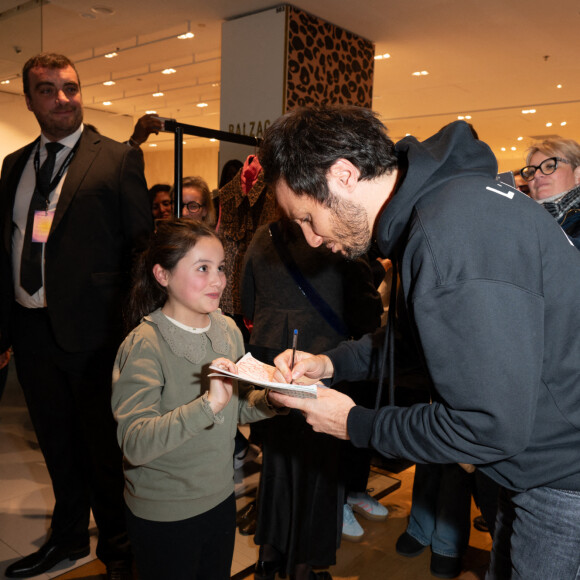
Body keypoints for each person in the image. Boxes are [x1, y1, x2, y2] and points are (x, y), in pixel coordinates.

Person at [258, 105, 580, 580]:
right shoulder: (446, 207)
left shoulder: (450, 231)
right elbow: (417, 343)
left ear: (344, 174)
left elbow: (487, 426)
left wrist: (354, 423)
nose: (310, 239)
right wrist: (329, 364)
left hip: (560, 485)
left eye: (307, 217)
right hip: (537, 472)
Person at [0, 53, 153, 579]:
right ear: (29, 100)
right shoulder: (14, 165)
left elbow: (141, 251)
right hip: (31, 329)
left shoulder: (115, 159)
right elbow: (14, 243)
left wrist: (137, 335)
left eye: (71, 87)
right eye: (48, 90)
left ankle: (119, 553)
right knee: (56, 446)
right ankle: (67, 539)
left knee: (103, 453)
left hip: (95, 335)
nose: (62, 98)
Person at [112, 218, 279, 580]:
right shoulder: (146, 344)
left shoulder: (227, 329)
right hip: (164, 510)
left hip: (219, 497)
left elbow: (236, 409)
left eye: (220, 268)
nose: (218, 280)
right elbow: (135, 443)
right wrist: (206, 405)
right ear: (162, 275)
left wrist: (274, 400)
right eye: (202, 269)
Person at [241, 218, 382, 580]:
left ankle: (269, 557)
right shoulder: (330, 233)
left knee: (278, 464)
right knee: (320, 469)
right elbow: (365, 311)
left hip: (272, 355)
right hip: (322, 359)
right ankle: (303, 567)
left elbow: (247, 296)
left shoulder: (264, 233)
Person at [520, 138, 580, 247]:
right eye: (531, 172)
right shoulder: (522, 222)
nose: (537, 175)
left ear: (578, 175)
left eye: (550, 166)